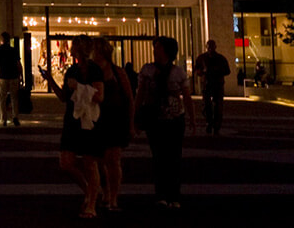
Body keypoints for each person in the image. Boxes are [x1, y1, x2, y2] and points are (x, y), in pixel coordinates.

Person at [39, 34, 104, 219]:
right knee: (66, 163)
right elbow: (63, 97)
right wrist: (50, 80)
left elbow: (100, 96)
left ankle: (91, 204)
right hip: (72, 119)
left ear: (81, 48)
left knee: (90, 163)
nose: (71, 48)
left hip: (88, 120)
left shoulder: (94, 70)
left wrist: (79, 87)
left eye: (74, 45)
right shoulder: (71, 71)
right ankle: (90, 191)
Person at [134, 36, 195, 209]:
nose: (155, 50)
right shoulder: (147, 70)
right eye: (155, 47)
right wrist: (136, 115)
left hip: (175, 118)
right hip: (155, 118)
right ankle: (162, 194)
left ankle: (173, 195)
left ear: (167, 51)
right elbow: (140, 95)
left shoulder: (177, 72)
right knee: (159, 157)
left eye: (158, 47)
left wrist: (192, 118)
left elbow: (187, 97)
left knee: (174, 157)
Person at [92, 38, 133, 211]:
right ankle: (106, 191)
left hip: (115, 119)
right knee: (99, 160)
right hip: (97, 120)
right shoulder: (92, 73)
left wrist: (131, 123)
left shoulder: (117, 72)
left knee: (113, 159)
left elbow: (130, 99)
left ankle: (113, 196)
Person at [193, 39, 231, 135]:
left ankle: (216, 126)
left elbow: (227, 71)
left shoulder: (220, 59)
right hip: (207, 84)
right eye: (209, 47)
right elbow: (197, 69)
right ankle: (209, 123)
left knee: (218, 106)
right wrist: (202, 72)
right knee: (207, 105)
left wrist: (217, 71)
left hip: (217, 84)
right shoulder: (202, 58)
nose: (210, 49)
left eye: (212, 46)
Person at [0, 31, 23, 127]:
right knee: (14, 98)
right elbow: (18, 64)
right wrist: (21, 75)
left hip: (2, 77)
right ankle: (15, 117)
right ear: (9, 40)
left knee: (2, 99)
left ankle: (3, 119)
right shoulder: (13, 51)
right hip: (13, 77)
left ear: (1, 40)